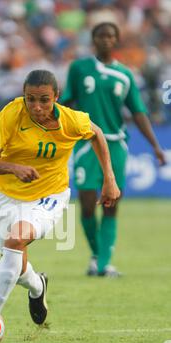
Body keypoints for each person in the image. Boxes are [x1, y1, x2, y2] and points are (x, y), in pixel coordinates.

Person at [0, 69, 120, 325]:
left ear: (57, 97)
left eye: (44, 99)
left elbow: (97, 134)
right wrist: (14, 168)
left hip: (48, 195)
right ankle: (37, 286)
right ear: (24, 96)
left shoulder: (71, 120)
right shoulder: (12, 113)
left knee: (15, 240)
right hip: (4, 195)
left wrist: (109, 179)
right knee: (15, 265)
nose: (37, 106)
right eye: (30, 99)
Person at [61, 22, 166, 277]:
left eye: (110, 36)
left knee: (111, 204)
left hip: (115, 144)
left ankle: (104, 263)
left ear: (116, 40)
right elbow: (66, 101)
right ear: (93, 39)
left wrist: (155, 146)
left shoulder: (125, 75)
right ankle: (97, 255)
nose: (106, 40)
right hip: (86, 143)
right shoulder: (79, 68)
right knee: (86, 204)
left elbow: (138, 112)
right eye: (101, 36)